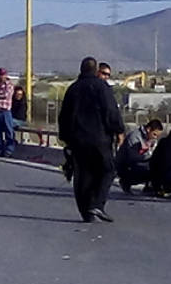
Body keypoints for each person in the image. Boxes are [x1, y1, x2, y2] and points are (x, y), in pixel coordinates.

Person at [58, 57, 125, 223]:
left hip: (77, 140)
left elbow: (64, 116)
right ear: (95, 71)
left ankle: (86, 212)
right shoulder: (102, 87)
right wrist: (119, 130)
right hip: (99, 139)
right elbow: (110, 111)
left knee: (83, 175)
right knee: (108, 170)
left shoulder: (72, 89)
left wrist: (65, 138)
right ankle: (97, 204)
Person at [116, 119, 164, 193]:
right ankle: (126, 181)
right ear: (148, 130)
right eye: (154, 134)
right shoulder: (135, 137)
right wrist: (149, 157)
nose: (155, 138)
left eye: (157, 136)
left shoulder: (151, 139)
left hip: (139, 162)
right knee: (150, 168)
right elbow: (132, 157)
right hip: (126, 165)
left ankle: (149, 186)